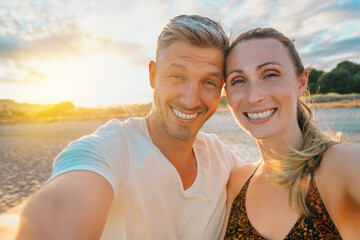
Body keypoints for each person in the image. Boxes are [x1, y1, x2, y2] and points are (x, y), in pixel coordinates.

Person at [15, 15, 243, 240]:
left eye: (208, 82)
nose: (191, 100)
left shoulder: (223, 160)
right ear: (153, 76)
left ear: (221, 88)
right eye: (177, 76)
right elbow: (56, 212)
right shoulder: (111, 150)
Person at [219, 27, 360, 239]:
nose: (254, 96)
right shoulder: (237, 182)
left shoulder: (344, 163)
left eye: (270, 75)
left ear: (301, 82)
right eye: (238, 80)